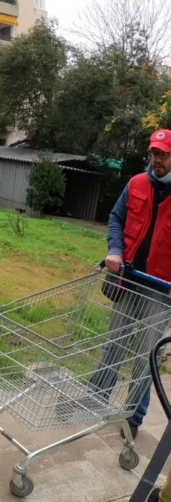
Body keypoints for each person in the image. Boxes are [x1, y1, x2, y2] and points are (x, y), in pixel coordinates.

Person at [92, 129, 171, 443]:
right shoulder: (137, 183)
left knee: (144, 357)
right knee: (114, 343)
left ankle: (132, 417)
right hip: (127, 278)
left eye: (163, 154)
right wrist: (114, 250)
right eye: (154, 153)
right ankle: (94, 400)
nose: (157, 159)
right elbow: (116, 216)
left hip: (160, 289)